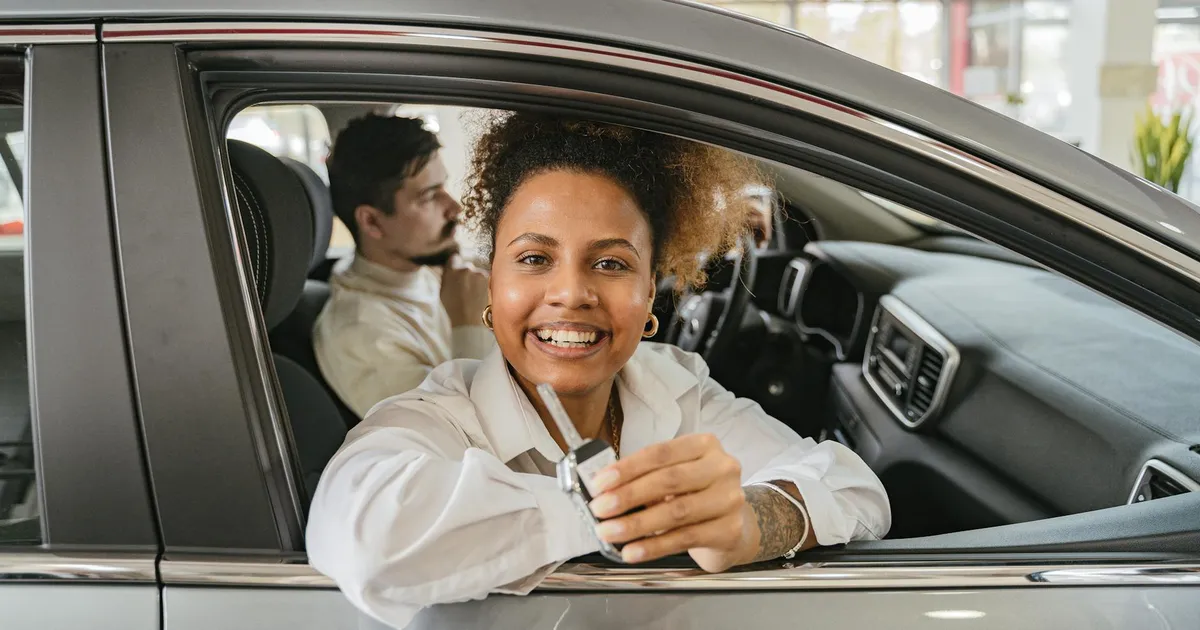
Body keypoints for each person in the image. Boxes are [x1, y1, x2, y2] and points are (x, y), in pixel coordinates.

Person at [307, 113, 891, 629]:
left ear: (651, 292)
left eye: (610, 263)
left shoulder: (673, 384)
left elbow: (857, 489)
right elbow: (364, 534)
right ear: (493, 284)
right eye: (534, 259)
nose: (570, 293)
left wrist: (750, 520)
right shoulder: (438, 414)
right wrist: (626, 518)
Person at [313, 114, 495, 418]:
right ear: (372, 221)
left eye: (444, 186)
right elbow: (462, 436)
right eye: (428, 196)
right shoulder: (359, 336)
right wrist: (470, 326)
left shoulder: (431, 265)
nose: (454, 208)